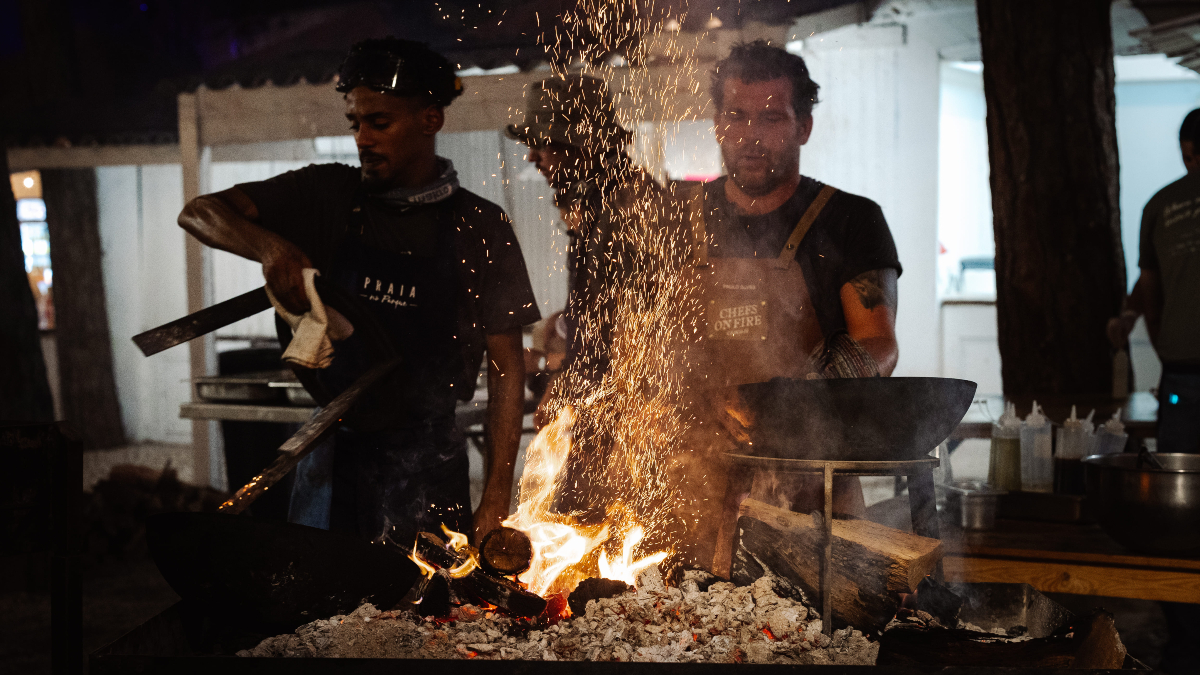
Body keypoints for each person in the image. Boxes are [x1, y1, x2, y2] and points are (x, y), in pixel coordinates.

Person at [177, 38, 540, 546]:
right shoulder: (327, 194)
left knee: (432, 618)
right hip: (332, 453)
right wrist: (268, 247)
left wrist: (496, 497)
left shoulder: (479, 226)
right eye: (356, 123)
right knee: (321, 616)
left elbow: (507, 365)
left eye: (380, 122)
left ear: (430, 120)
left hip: (430, 463)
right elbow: (198, 212)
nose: (362, 138)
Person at [683, 41, 903, 573]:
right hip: (692, 481)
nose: (750, 135)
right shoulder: (677, 216)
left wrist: (792, 404)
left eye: (771, 118)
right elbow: (651, 338)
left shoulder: (851, 220)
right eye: (736, 116)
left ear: (803, 127)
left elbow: (879, 343)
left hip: (811, 483)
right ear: (717, 123)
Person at [1107, 108, 1200, 675]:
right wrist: (1132, 316)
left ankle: (1189, 644)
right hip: (1184, 375)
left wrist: (1144, 320)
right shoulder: (1161, 206)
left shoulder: (1163, 205)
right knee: (1180, 513)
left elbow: (1153, 283)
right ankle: (1188, 644)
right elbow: (1151, 282)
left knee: (1182, 513)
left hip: (1184, 374)